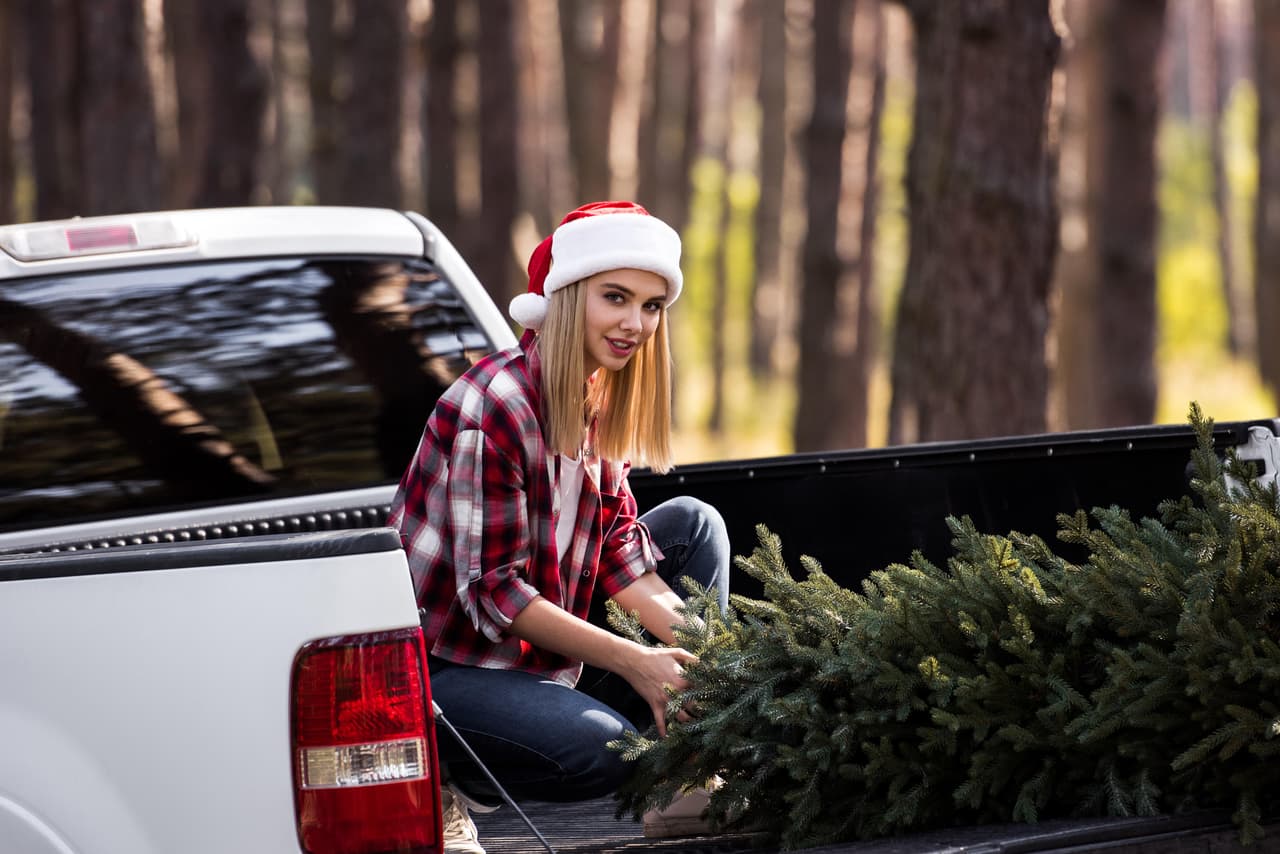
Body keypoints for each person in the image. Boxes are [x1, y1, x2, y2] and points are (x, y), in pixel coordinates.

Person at [388, 201, 732, 854]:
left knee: (695, 524)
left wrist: (716, 665)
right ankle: (441, 776)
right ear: (569, 296)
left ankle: (693, 765)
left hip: (535, 661)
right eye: (616, 297)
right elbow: (496, 593)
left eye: (653, 305)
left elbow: (621, 554)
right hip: (438, 671)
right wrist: (636, 662)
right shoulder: (494, 410)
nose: (636, 322)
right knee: (601, 752)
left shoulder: (595, 396)